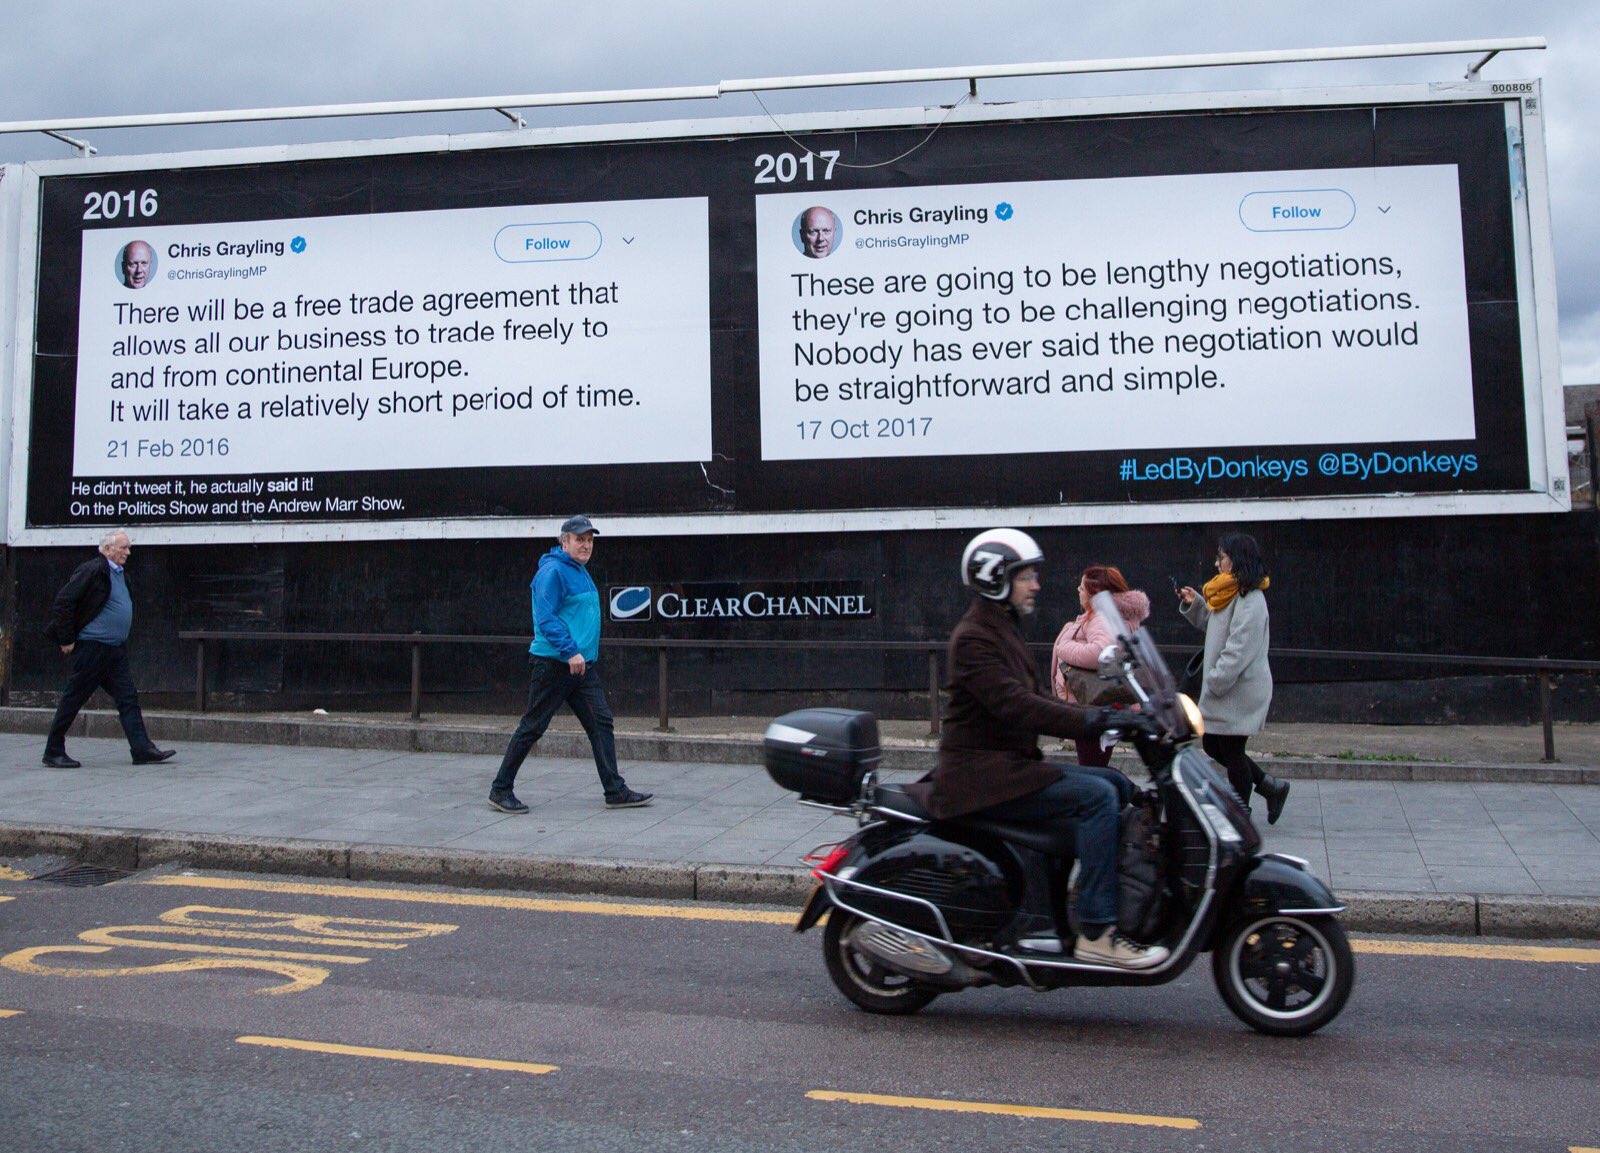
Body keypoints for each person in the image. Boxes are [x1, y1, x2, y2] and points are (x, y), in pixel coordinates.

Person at [905, 528, 1170, 970]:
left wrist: (1117, 711)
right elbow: (1017, 705)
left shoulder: (1001, 629)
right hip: (982, 778)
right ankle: (1097, 930)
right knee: (1098, 798)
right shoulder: (975, 638)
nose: (1036, 584)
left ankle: (1087, 898)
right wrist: (1096, 719)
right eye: (1026, 575)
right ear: (995, 579)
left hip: (1007, 769)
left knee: (1117, 785)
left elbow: (1037, 696)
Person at [488, 515, 652, 813]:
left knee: (601, 723)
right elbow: (546, 618)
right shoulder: (553, 572)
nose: (586, 545)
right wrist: (570, 651)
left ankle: (614, 790)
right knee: (533, 726)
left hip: (581, 667)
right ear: (564, 541)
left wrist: (581, 656)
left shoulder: (578, 570)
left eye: (589, 540)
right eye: (579, 539)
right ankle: (500, 790)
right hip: (555, 664)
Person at [1178, 531, 1290, 824]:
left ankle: (1239, 812)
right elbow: (1215, 627)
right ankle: (1270, 787)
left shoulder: (1251, 600)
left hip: (1239, 688)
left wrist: (1214, 680)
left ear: (1236, 559)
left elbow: (1238, 650)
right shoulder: (1228, 592)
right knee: (1213, 745)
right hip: (1226, 687)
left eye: (1222, 557)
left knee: (1230, 749)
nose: (1217, 564)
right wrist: (1196, 604)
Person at [41, 530, 176, 768]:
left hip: (114, 650)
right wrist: (66, 639)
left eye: (128, 548)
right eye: (123, 548)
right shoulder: (93, 570)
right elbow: (64, 602)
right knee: (74, 698)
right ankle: (53, 750)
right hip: (93, 648)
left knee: (128, 698)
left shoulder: (121, 574)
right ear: (107, 549)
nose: (128, 552)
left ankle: (142, 749)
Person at [1051, 564, 1150, 768]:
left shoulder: (1100, 617)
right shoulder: (1105, 615)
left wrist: (1064, 647)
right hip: (1093, 705)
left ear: (1094, 593)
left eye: (1082, 587)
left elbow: (1101, 651)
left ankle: (1130, 792)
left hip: (1091, 706)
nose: (1078, 591)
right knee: (1094, 765)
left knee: (1092, 767)